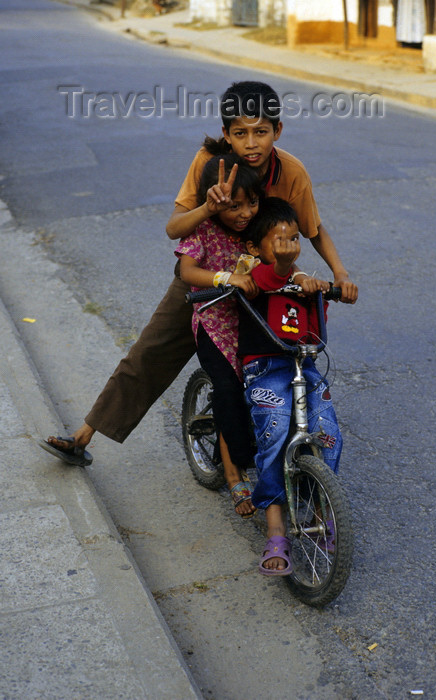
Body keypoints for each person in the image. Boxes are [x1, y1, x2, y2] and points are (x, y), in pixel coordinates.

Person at [40, 80, 357, 473]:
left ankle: (276, 460)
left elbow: (313, 229)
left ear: (278, 130)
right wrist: (208, 208)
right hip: (206, 277)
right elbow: (175, 227)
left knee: (283, 358)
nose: (252, 143)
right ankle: (83, 436)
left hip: (261, 280)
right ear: (226, 134)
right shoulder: (209, 161)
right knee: (149, 353)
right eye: (240, 133)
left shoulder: (291, 172)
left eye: (261, 131)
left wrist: (340, 273)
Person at [238, 197, 343, 575]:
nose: (289, 246)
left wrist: (323, 292)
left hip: (304, 366)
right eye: (279, 240)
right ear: (255, 248)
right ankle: (276, 529)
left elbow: (313, 332)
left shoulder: (300, 279)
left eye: (294, 239)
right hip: (266, 369)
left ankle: (320, 508)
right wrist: (287, 269)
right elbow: (270, 277)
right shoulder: (253, 276)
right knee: (276, 427)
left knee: (328, 431)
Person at [175, 153, 261, 517]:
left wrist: (302, 277)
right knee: (228, 390)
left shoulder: (256, 230)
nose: (245, 213)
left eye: (252, 203)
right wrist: (226, 278)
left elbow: (280, 254)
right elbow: (187, 271)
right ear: (214, 202)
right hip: (214, 322)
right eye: (235, 206)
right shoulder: (204, 230)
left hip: (253, 322)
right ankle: (233, 474)